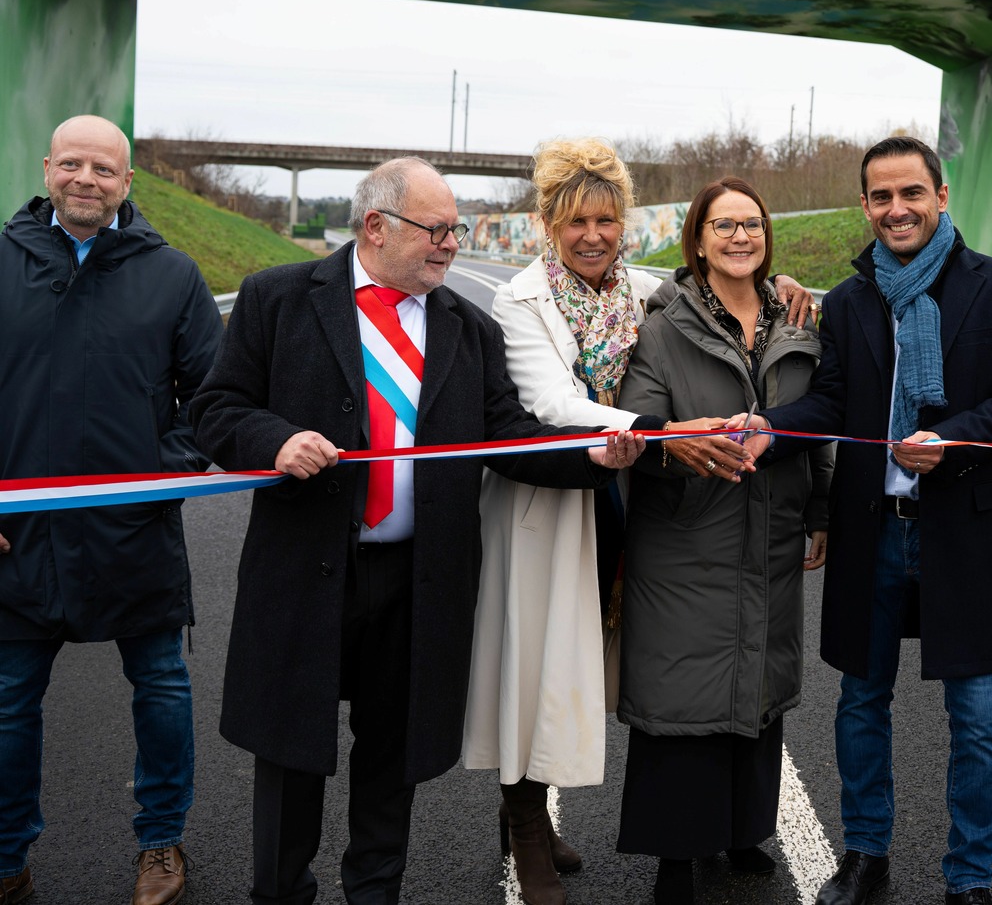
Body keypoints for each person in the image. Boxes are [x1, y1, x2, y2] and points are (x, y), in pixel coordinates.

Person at [190, 157, 643, 905]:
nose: (451, 245)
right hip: (305, 571)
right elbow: (215, 407)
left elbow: (508, 433)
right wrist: (274, 439)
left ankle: (375, 894)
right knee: (290, 756)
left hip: (418, 578)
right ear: (376, 226)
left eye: (455, 230)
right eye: (436, 230)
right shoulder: (278, 299)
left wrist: (593, 454)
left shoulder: (466, 326)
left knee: (391, 761)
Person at [461, 143, 811, 904]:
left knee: (593, 659)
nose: (593, 235)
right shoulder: (520, 301)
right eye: (576, 221)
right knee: (539, 664)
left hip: (629, 500)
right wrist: (660, 432)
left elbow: (707, 285)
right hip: (551, 505)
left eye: (607, 220)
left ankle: (544, 814)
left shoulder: (642, 290)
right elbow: (553, 403)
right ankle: (526, 826)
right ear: (548, 223)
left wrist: (778, 285)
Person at [748, 136, 992, 905]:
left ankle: (970, 876)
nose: (897, 208)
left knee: (978, 716)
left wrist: (952, 439)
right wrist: (770, 428)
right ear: (864, 205)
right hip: (871, 528)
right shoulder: (851, 301)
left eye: (911, 192)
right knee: (860, 701)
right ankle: (865, 852)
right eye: (880, 196)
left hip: (967, 525)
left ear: (941, 196)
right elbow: (830, 402)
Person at [0, 115, 221, 905]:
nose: (86, 179)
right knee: (7, 703)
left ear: (127, 182)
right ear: (47, 169)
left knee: (161, 688)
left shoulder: (174, 275)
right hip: (19, 536)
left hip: (136, 532)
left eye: (103, 168)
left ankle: (161, 840)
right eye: (73, 164)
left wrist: (158, 479)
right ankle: (6, 855)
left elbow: (213, 396)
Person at [612, 176, 831, 905]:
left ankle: (742, 829)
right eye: (724, 225)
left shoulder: (796, 319)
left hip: (771, 532)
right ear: (698, 241)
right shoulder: (663, 326)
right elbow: (641, 425)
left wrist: (820, 508)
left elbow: (819, 422)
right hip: (687, 533)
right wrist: (684, 445)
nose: (741, 236)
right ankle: (676, 853)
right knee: (683, 690)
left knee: (758, 682)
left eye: (752, 224)